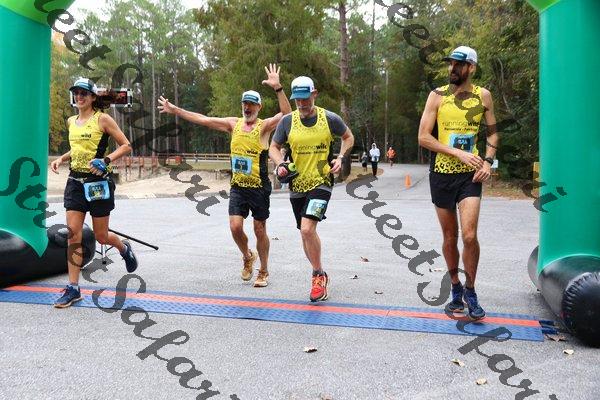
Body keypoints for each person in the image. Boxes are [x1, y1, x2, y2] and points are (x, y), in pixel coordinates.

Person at [158, 64, 291, 288]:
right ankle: (247, 256)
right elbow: (203, 119)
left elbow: (287, 115)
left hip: (259, 187)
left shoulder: (264, 126)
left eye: (252, 104)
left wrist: (278, 88)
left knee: (260, 229)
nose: (247, 107)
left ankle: (264, 270)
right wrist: (176, 110)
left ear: (259, 107)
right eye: (245, 103)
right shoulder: (233, 124)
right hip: (238, 187)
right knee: (235, 227)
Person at [417, 46, 499, 320]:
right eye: (450, 63)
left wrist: (487, 162)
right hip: (441, 174)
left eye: (458, 64)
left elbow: (493, 134)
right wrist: (457, 152)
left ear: (471, 68)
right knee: (450, 237)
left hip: (469, 176)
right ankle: (455, 288)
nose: (452, 68)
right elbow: (423, 137)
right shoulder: (437, 96)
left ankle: (471, 291)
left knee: (469, 236)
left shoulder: (483, 96)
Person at [50, 78, 138, 308]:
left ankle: (124, 248)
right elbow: (77, 148)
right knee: (73, 235)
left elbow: (126, 145)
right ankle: (73, 288)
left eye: (83, 93)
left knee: (101, 236)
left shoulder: (103, 119)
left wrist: (105, 160)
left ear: (92, 97)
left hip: (98, 183)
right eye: (76, 93)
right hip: (75, 183)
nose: (79, 97)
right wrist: (62, 158)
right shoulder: (71, 121)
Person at [269, 76, 354, 302]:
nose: (301, 103)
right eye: (297, 100)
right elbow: (273, 147)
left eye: (305, 98)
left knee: (307, 229)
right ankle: (320, 272)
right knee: (304, 233)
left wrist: (340, 158)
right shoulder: (287, 121)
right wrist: (281, 164)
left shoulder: (329, 118)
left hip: (321, 181)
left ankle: (317, 275)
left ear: (314, 94)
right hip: (297, 184)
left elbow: (348, 137)